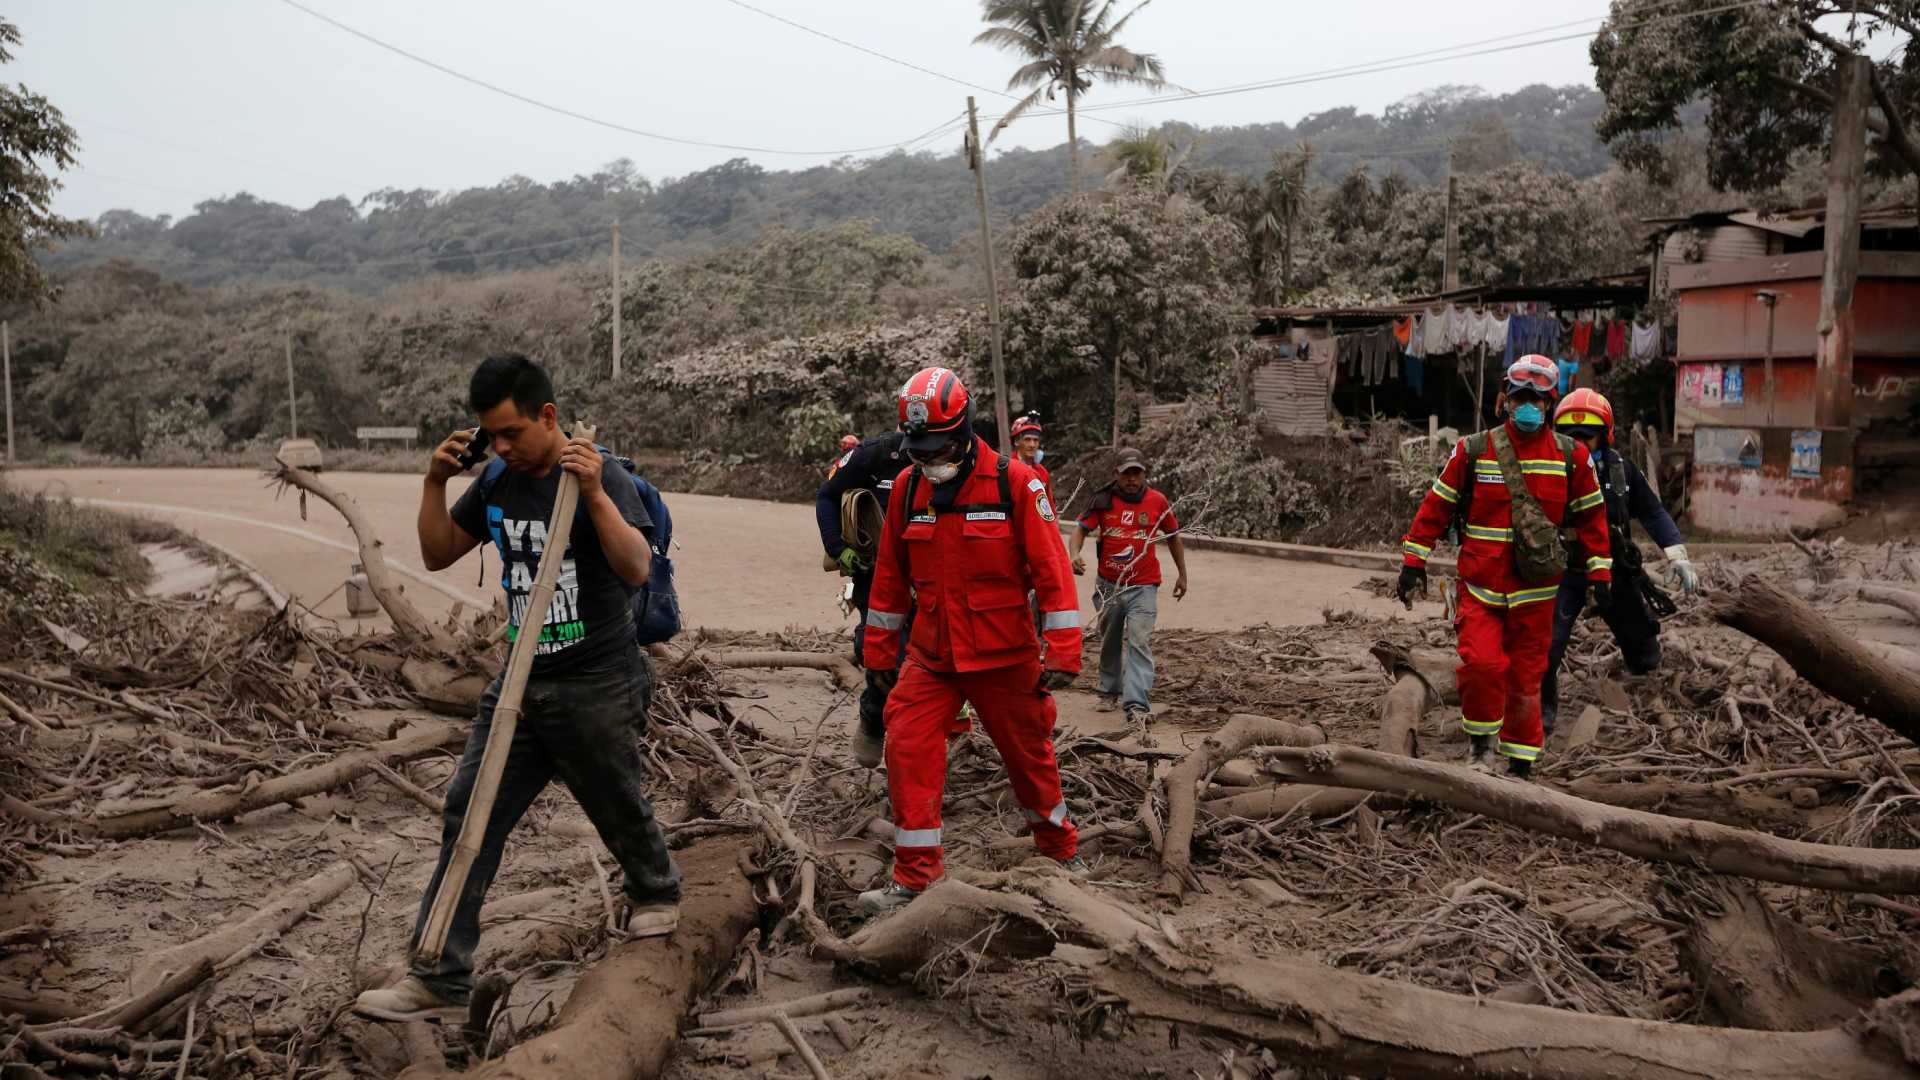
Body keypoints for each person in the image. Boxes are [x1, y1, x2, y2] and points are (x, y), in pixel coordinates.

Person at [354, 354, 680, 1023]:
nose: (499, 447)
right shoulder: (500, 479)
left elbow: (637, 566)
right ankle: (438, 973)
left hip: (597, 679)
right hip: (520, 684)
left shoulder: (599, 475)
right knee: (469, 815)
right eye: (490, 436)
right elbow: (438, 552)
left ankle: (657, 892)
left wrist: (591, 494)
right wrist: (434, 482)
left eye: (510, 433)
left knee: (616, 802)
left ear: (548, 417)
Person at [858, 366, 1087, 913]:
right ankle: (915, 878)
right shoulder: (909, 491)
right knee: (907, 744)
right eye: (918, 448)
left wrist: (1063, 650)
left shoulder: (1015, 484)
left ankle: (1059, 852)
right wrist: (878, 655)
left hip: (1004, 655)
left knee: (1028, 755)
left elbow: (1054, 571)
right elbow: (889, 578)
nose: (927, 458)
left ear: (964, 430)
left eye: (936, 446)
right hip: (933, 656)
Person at [1394, 355, 1613, 778]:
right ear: (1504, 400)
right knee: (1482, 667)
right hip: (1481, 588)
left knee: (1528, 678)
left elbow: (1593, 520)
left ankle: (1521, 763)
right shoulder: (1473, 450)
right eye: (1520, 398)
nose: (1528, 406)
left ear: (1550, 405)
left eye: (1537, 399)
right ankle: (1479, 750)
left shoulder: (1572, 457)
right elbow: (1435, 507)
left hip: (1536, 595)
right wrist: (1413, 562)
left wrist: (1601, 576)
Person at [1542, 389, 1698, 734]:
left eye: (1587, 434)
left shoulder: (1621, 472)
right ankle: (1542, 716)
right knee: (1548, 645)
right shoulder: (1545, 471)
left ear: (1604, 434)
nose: (1578, 442)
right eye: (1569, 434)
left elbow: (1654, 513)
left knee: (1641, 642)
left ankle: (1647, 692)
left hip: (1613, 570)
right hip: (1564, 572)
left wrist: (1677, 555)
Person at [1067, 449, 1189, 727]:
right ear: (1117, 475)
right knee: (1109, 638)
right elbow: (1080, 529)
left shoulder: (1157, 501)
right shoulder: (1103, 500)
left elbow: (1173, 538)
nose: (1132, 479)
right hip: (1109, 586)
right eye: (1126, 474)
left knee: (1139, 640)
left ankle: (1136, 703)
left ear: (1145, 474)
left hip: (1143, 586)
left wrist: (1183, 574)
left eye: (1137, 473)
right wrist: (1074, 554)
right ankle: (1109, 690)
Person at [817, 426, 910, 767]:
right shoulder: (874, 454)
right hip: (876, 576)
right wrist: (837, 548)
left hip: (932, 577)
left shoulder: (964, 458)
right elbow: (827, 495)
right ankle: (873, 716)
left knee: (933, 656)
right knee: (880, 652)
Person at [1010, 412, 1054, 505]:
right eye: (1027, 439)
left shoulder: (1042, 473)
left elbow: (1050, 507)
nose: (1032, 445)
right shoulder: (1006, 469)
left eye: (1035, 440)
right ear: (1017, 441)